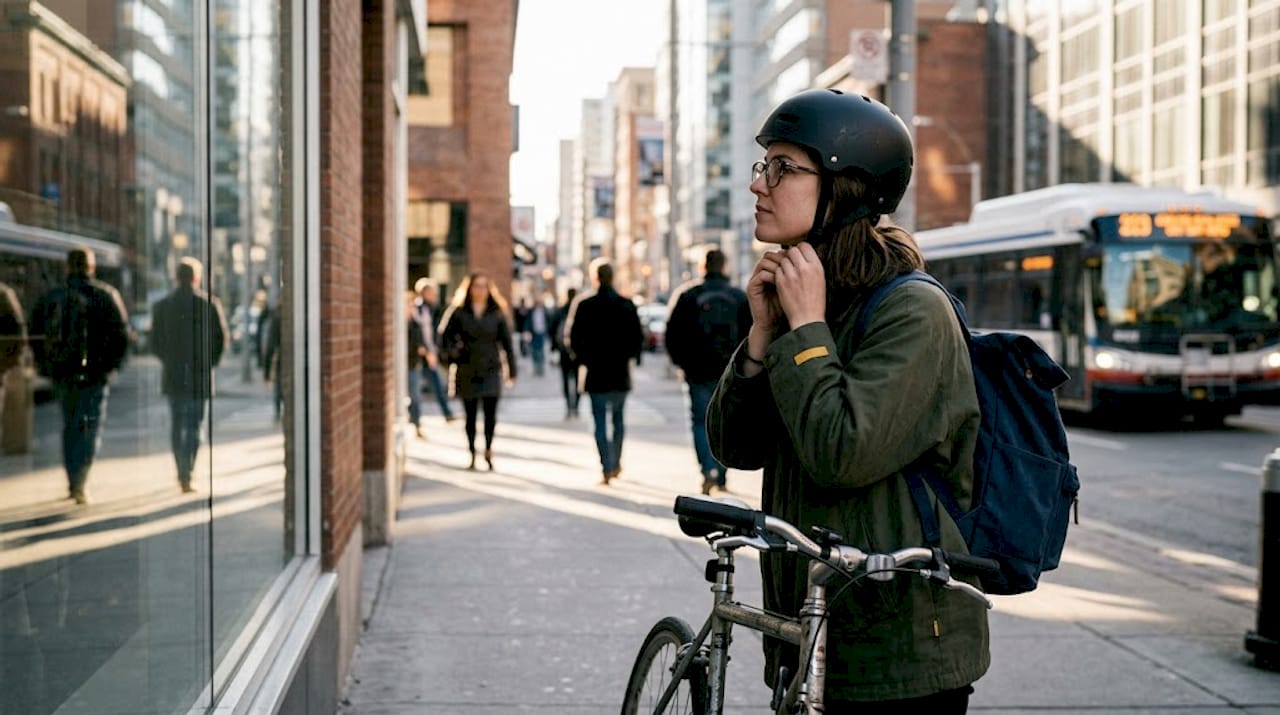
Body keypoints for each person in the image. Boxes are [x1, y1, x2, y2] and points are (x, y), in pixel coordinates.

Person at [705, 89, 989, 710]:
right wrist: (761, 339)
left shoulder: (913, 310)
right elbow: (735, 448)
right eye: (764, 166)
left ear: (846, 188)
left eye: (785, 168)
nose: (761, 185)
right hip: (805, 633)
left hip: (898, 651)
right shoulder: (811, 300)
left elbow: (842, 452)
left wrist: (805, 333)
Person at [30, 247, 130, 505]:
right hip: (95, 376)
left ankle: (72, 479)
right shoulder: (105, 295)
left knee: (69, 425)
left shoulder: (53, 296)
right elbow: (121, 336)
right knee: (90, 427)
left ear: (68, 266)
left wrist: (46, 367)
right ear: (91, 267)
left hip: (63, 374)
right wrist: (111, 367)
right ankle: (81, 483)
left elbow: (35, 333)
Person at [664, 248, 750, 495]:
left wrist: (682, 363)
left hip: (697, 370)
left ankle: (708, 470)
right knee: (728, 422)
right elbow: (753, 334)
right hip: (731, 371)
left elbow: (672, 334)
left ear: (703, 267)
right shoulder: (738, 297)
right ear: (724, 267)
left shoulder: (689, 295)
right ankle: (722, 474)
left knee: (700, 421)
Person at [150, 257, 229, 493]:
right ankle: (188, 473)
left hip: (174, 376)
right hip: (199, 376)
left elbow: (155, 343)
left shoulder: (163, 306)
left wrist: (169, 360)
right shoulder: (209, 304)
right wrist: (208, 364)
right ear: (196, 278)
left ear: (176, 277)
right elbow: (220, 340)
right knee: (195, 426)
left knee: (177, 425)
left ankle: (181, 471)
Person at [565, 259, 644, 485]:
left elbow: (572, 339)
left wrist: (583, 359)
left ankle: (606, 467)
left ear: (595, 277)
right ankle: (616, 463)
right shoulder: (626, 305)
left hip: (595, 372)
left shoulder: (584, 304)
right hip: (619, 372)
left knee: (599, 421)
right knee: (618, 420)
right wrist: (628, 357)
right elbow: (637, 339)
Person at [438, 272, 517, 470]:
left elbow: (507, 343)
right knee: (470, 416)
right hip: (467, 369)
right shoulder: (458, 311)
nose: (480, 290)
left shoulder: (496, 312)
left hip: (490, 369)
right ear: (469, 288)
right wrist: (453, 354)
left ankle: (488, 450)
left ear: (489, 289)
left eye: (483, 286)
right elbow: (443, 337)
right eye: (476, 286)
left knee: (490, 415)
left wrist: (511, 370)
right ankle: (472, 453)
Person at [413, 278, 456, 421]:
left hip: (431, 352)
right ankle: (415, 419)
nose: (434, 295)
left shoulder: (435, 309)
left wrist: (436, 350)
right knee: (414, 389)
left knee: (437, 385)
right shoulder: (416, 308)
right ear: (423, 293)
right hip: (418, 355)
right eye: (431, 292)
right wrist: (424, 349)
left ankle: (447, 413)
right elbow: (416, 332)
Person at [549, 287, 580, 418]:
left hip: (564, 351)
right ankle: (575, 406)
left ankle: (569, 405)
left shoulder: (561, 311)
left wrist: (554, 347)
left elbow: (552, 329)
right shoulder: (580, 310)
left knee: (566, 380)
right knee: (578, 381)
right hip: (578, 352)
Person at [404, 290, 429, 438]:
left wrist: (422, 348)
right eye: (408, 303)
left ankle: (417, 424)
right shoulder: (397, 322)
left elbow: (420, 341)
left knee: (415, 395)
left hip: (413, 363)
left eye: (412, 304)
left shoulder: (415, 322)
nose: (411, 306)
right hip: (400, 365)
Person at [525, 295, 550, 377]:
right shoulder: (531, 311)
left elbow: (548, 321)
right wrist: (527, 331)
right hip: (534, 333)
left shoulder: (544, 311)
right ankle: (536, 367)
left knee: (541, 351)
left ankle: (541, 368)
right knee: (534, 351)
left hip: (541, 333)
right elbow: (528, 322)